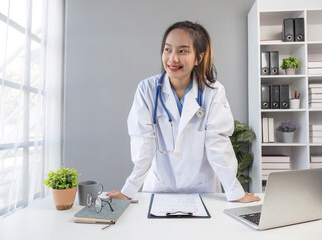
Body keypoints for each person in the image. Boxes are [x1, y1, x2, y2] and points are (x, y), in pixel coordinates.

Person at [106, 21, 260, 203]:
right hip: (159, 190)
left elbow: (217, 145)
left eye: (182, 51)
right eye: (167, 50)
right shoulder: (147, 90)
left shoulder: (213, 92)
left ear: (198, 58)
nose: (172, 59)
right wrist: (129, 190)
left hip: (203, 191)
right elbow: (143, 145)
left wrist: (235, 192)